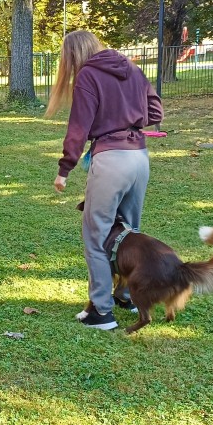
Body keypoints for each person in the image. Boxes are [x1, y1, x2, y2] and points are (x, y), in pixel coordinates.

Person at [45, 30, 163, 330]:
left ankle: (101, 312)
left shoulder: (88, 75)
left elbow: (79, 127)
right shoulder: (131, 68)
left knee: (96, 237)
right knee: (128, 232)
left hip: (111, 160)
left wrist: (64, 169)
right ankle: (126, 294)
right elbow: (155, 111)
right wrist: (127, 119)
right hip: (139, 157)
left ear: (72, 56)